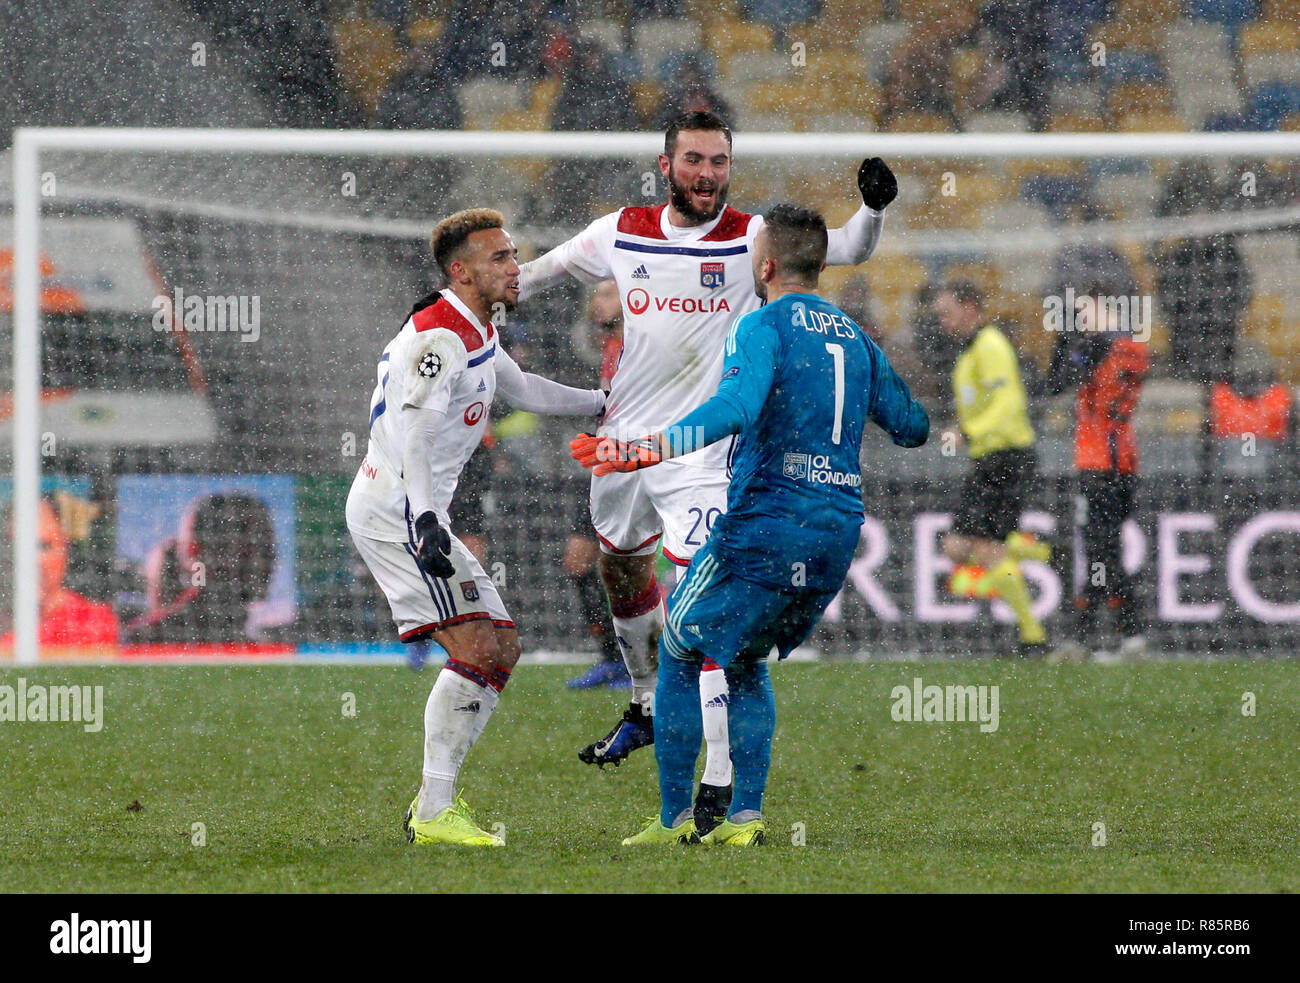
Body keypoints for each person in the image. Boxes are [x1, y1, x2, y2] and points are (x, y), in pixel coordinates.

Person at [519, 110, 897, 824]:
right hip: (622, 444)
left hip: (700, 452)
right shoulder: (620, 229)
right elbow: (536, 276)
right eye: (694, 160)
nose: (707, 174)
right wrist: (479, 298)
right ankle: (642, 702)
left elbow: (847, 245)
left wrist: (873, 206)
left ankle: (720, 792)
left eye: (719, 162)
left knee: (709, 610)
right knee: (620, 571)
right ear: (666, 165)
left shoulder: (752, 238)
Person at [571, 204, 929, 845]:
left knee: (679, 647)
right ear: (819, 265)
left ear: (763, 266)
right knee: (745, 657)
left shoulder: (760, 325)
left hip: (768, 521)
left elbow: (734, 406)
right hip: (838, 529)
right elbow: (914, 426)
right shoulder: (855, 335)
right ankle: (744, 818)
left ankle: (674, 817)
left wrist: (647, 447)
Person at [345, 208, 606, 846]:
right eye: (500, 259)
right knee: (477, 650)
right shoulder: (439, 337)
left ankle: (435, 807)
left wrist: (603, 403)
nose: (516, 268)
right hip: (399, 511)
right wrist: (431, 520)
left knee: (503, 648)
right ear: (461, 272)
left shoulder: (477, 324)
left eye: (515, 255)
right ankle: (434, 811)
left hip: (417, 509)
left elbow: (521, 389)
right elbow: (418, 431)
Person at [934, 280, 1050, 655]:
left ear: (970, 308)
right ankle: (1047, 555)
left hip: (1008, 456)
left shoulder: (991, 345)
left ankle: (1033, 637)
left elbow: (1009, 403)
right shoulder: (968, 353)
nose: (942, 321)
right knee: (956, 547)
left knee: (987, 549)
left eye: (947, 312)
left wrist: (968, 431)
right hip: (987, 459)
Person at [1043, 289, 1150, 664]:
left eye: (1086, 310)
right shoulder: (1134, 348)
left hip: (1096, 462)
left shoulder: (1096, 348)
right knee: (1106, 550)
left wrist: (1065, 340)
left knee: (1100, 551)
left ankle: (1123, 634)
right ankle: (1091, 635)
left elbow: (1054, 383)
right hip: (1126, 462)